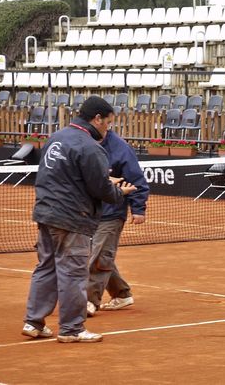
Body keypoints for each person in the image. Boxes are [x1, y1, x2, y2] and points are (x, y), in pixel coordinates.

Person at [22, 96, 137, 343]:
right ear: (97, 119)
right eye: (107, 123)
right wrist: (119, 191)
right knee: (73, 274)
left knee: (46, 268)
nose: (108, 128)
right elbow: (101, 190)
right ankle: (72, 329)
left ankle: (34, 323)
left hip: (46, 213)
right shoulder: (90, 147)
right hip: (73, 218)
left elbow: (62, 175)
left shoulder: (56, 137)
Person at [86, 129, 149, 316]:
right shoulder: (83, 142)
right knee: (99, 255)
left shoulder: (121, 149)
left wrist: (138, 209)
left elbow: (137, 180)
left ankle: (89, 300)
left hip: (112, 213)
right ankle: (121, 294)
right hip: (87, 212)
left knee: (98, 257)